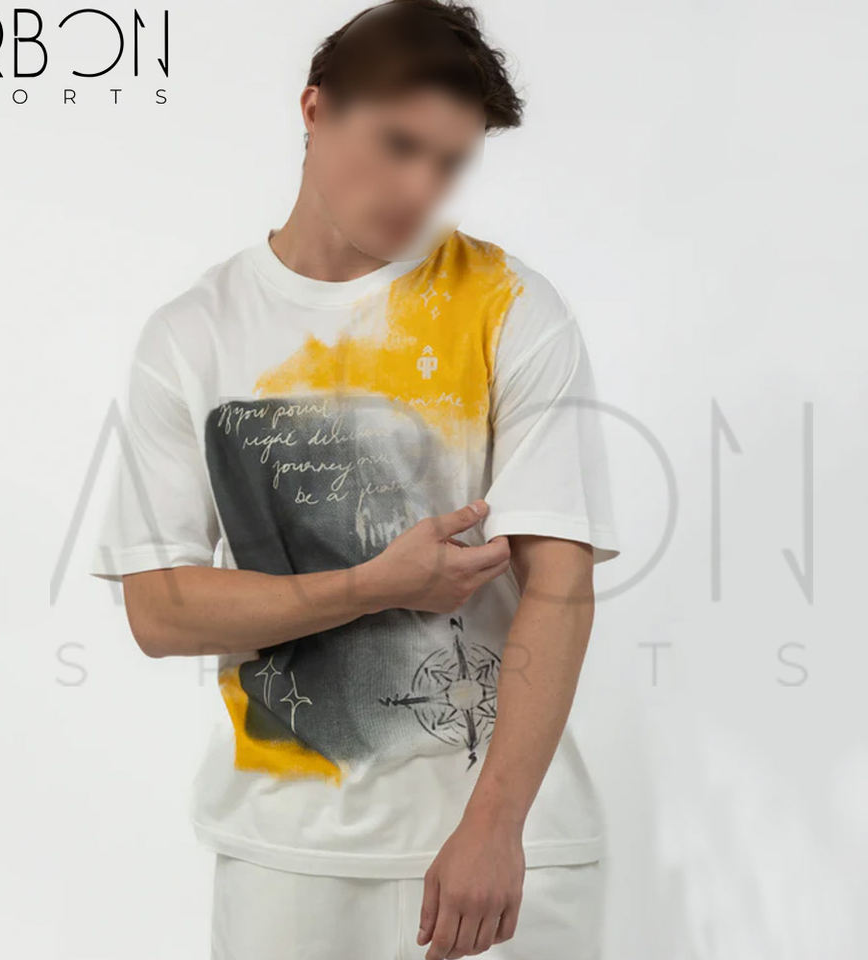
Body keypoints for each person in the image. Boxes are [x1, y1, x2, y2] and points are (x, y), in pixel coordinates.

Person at [89, 1, 621, 957]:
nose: (421, 187)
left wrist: (495, 825)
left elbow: (561, 584)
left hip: (508, 853)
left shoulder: (509, 305)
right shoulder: (193, 335)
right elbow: (159, 611)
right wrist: (375, 586)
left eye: (450, 162)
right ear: (316, 109)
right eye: (399, 145)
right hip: (286, 850)